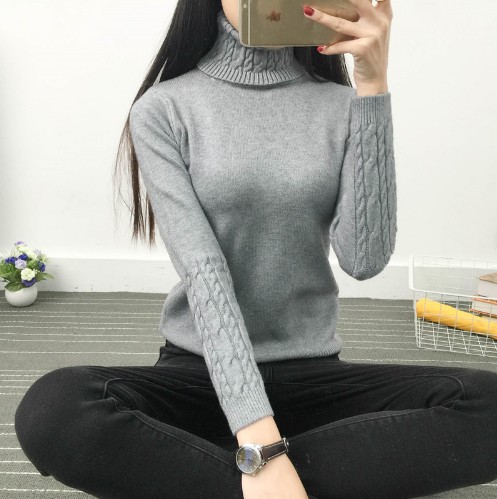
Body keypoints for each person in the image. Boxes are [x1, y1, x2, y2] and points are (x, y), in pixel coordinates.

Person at [14, 0, 497, 498]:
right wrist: (262, 441)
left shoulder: (341, 105)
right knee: (56, 409)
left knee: (489, 405)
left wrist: (373, 87)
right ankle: (271, 471)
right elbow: (204, 272)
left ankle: (229, 474)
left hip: (311, 374)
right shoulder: (164, 108)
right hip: (200, 372)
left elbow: (364, 259)